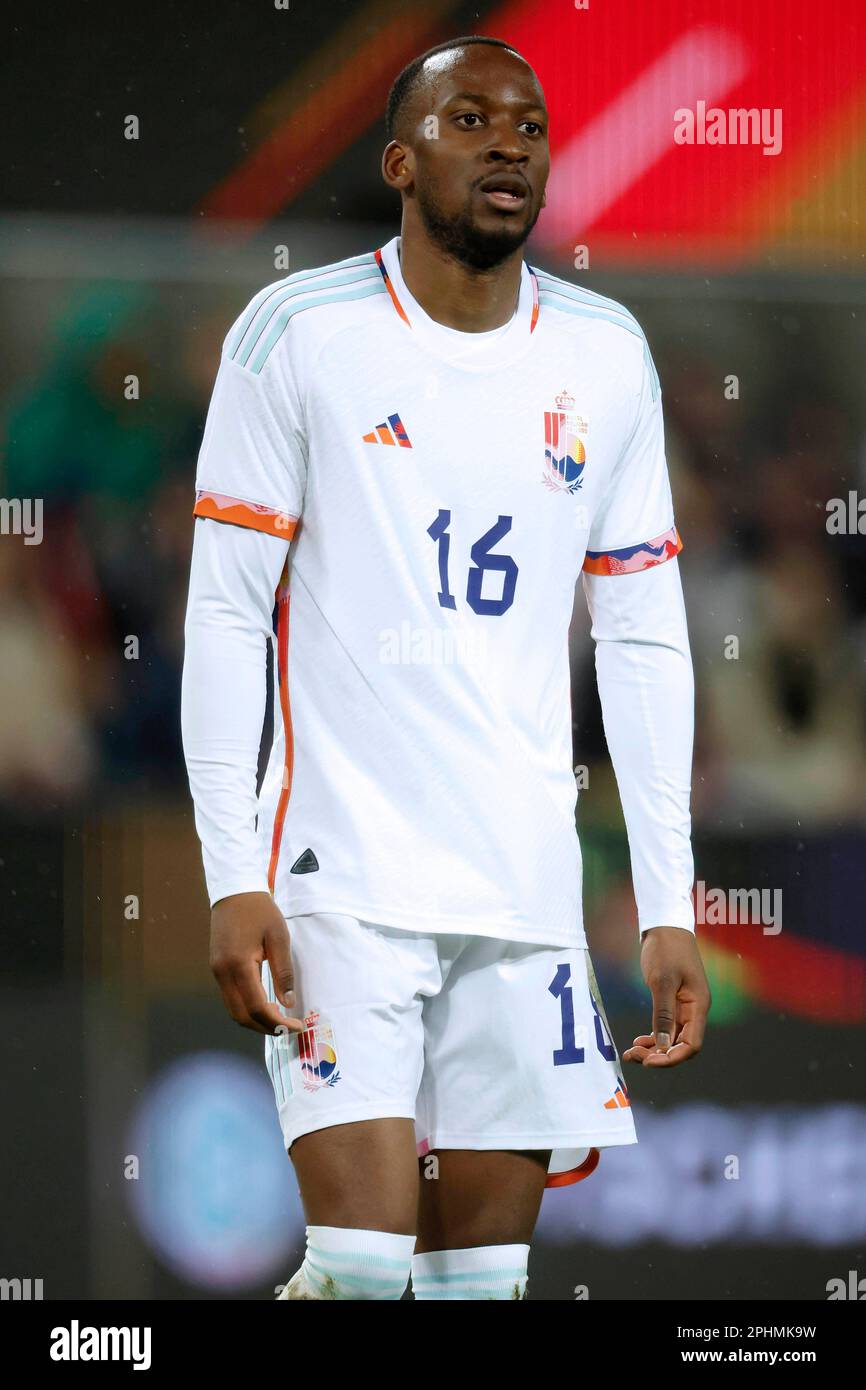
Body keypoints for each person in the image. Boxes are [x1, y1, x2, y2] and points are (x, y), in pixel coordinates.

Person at [181, 34, 711, 1301]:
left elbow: (642, 636)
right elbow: (221, 612)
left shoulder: (603, 355)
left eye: (526, 126)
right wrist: (227, 873)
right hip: (337, 873)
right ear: (400, 163)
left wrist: (668, 900)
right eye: (470, 120)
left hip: (522, 887)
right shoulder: (296, 333)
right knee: (362, 1268)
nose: (508, 145)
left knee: (478, 1286)